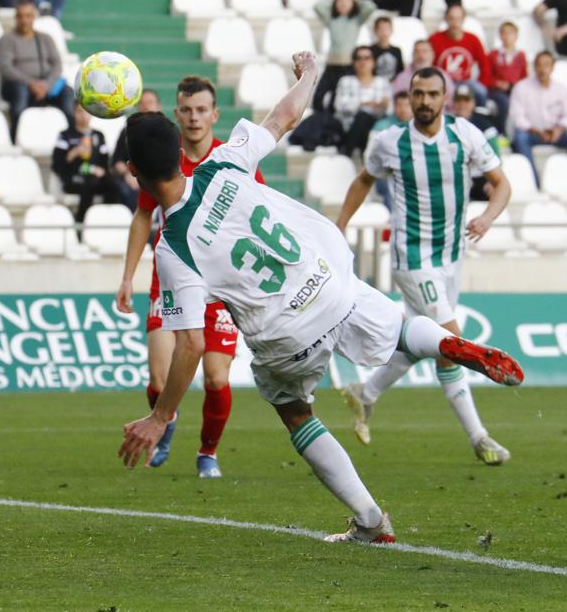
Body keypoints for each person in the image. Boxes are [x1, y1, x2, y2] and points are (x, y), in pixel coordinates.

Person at [117, 52, 524, 543]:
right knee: (398, 327)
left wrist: (162, 416)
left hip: (285, 332)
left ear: (135, 173)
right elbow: (283, 116)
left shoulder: (172, 249)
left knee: (296, 412)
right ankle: (442, 344)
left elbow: (190, 346)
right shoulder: (223, 162)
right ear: (180, 146)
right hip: (329, 282)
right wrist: (310, 74)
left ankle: (372, 522)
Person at [336, 67, 515, 464]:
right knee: (451, 342)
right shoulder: (390, 142)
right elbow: (363, 180)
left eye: (433, 94)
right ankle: (479, 438)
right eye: (418, 94)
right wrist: (339, 226)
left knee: (422, 345)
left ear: (444, 97)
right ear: (409, 96)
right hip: (412, 258)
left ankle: (364, 395)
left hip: (451, 257)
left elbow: (502, 183)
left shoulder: (465, 135)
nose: (425, 101)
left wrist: (487, 217)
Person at [115, 76, 261, 480]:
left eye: (202, 110)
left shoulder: (229, 160)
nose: (194, 117)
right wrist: (127, 277)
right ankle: (166, 417)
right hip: (173, 277)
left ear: (215, 114)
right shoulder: (164, 162)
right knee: (159, 377)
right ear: (176, 114)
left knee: (216, 376)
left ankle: (207, 453)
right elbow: (144, 214)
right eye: (186, 110)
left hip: (220, 286)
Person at [0, 0, 75, 138]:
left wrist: (46, 84)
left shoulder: (45, 38)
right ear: (16, 18)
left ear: (34, 17)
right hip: (19, 85)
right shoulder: (7, 39)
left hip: (45, 86)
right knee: (19, 94)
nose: (24, 20)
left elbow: (57, 64)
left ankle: (71, 137)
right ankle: (16, 137)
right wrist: (31, 83)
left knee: (68, 93)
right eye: (20, 16)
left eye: (28, 16)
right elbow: (6, 68)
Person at [508, 50, 567, 180]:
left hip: (556, 132)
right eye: (539, 65)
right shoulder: (521, 87)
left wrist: (559, 129)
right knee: (520, 138)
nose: (542, 69)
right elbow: (517, 117)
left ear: (553, 67)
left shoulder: (561, 89)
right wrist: (535, 130)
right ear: (534, 67)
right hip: (532, 133)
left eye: (546, 65)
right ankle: (533, 181)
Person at [54, 104, 123, 224]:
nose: (83, 115)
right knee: (89, 183)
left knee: (114, 185)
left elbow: (105, 161)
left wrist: (101, 170)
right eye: (80, 112)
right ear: (75, 113)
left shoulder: (98, 135)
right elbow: (57, 164)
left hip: (96, 177)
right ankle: (81, 224)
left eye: (87, 112)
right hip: (74, 178)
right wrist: (74, 152)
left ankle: (108, 222)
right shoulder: (65, 135)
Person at [314, 0, 377, 113]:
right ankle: (319, 121)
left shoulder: (357, 20)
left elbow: (371, 7)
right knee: (318, 97)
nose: (343, 3)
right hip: (332, 65)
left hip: (348, 66)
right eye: (340, 0)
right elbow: (318, 6)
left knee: (337, 98)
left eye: (347, 0)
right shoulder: (331, 19)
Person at [429, 4, 494, 105]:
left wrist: (483, 83)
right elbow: (429, 65)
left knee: (481, 92)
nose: (455, 23)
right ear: (446, 19)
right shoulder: (434, 39)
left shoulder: (473, 39)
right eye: (451, 18)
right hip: (442, 83)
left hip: (466, 83)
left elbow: (484, 64)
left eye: (458, 19)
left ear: (463, 19)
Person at [334, 45, 391, 156]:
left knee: (364, 118)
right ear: (354, 62)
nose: (362, 62)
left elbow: (388, 110)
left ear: (373, 61)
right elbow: (339, 106)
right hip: (348, 126)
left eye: (367, 58)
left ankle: (346, 153)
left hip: (374, 125)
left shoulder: (383, 82)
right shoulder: (345, 81)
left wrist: (386, 104)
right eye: (358, 58)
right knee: (363, 117)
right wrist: (364, 103)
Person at [486, 20, 525, 129]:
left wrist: (515, 86)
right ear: (500, 35)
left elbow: (524, 77)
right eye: (504, 33)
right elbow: (486, 77)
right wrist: (497, 83)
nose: (507, 36)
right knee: (504, 103)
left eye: (510, 33)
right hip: (498, 91)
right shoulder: (493, 55)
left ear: (516, 36)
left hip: (515, 90)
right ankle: (501, 131)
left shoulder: (521, 56)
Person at [391, 39, 455, 96]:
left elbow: (451, 101)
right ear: (412, 55)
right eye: (417, 52)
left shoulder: (442, 76)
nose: (421, 55)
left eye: (424, 51)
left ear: (432, 54)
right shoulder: (401, 78)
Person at [370, 15, 404, 82]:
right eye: (381, 29)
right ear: (375, 30)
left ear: (391, 30)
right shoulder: (370, 50)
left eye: (386, 28)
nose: (384, 32)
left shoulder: (397, 50)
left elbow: (401, 72)